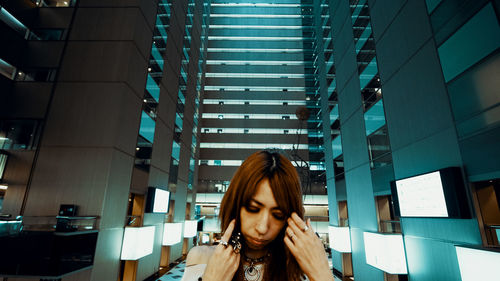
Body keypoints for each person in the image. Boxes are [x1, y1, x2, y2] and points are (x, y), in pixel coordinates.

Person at [182, 150, 334, 281]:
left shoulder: (304, 269)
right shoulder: (201, 258)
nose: (262, 228)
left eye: (278, 215)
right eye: (253, 209)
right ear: (235, 205)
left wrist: (322, 274)